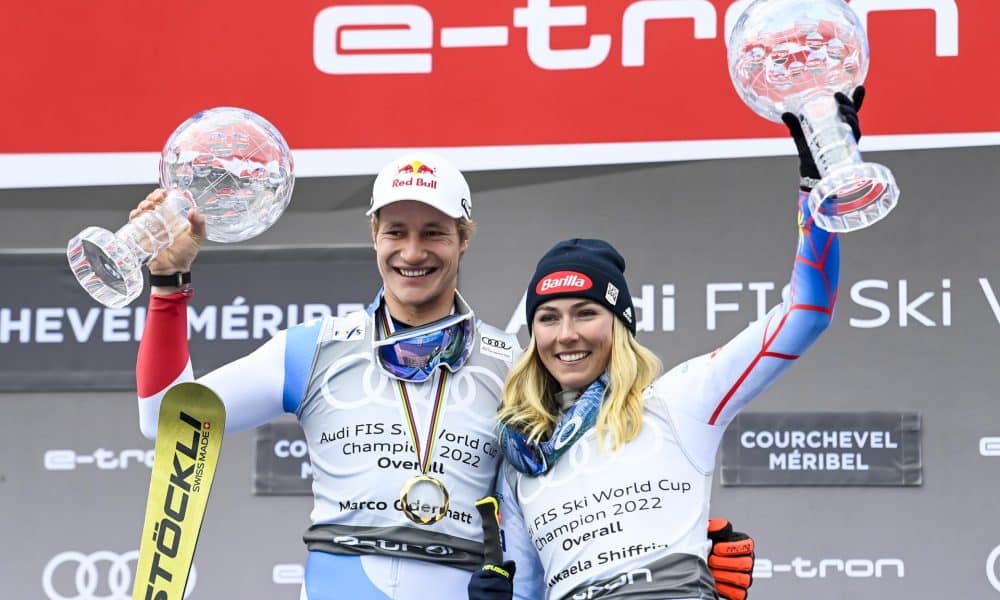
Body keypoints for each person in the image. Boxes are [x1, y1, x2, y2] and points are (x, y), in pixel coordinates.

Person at [131, 151, 755, 600]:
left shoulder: (515, 361)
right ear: (373, 234)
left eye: (434, 232)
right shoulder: (312, 349)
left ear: (463, 238)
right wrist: (167, 288)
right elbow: (166, 419)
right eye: (396, 231)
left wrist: (687, 546)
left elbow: (595, 469)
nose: (413, 251)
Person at [470, 89, 866, 600]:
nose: (565, 333)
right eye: (548, 318)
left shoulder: (678, 401)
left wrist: (818, 185)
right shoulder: (524, 457)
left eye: (587, 313)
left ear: (620, 327)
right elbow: (523, 591)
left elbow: (806, 312)